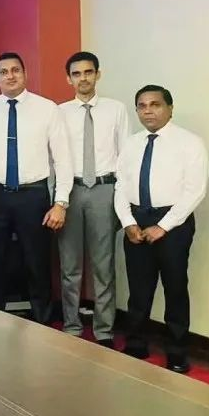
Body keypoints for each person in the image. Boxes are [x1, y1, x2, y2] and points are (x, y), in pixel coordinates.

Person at [0, 53, 72, 323]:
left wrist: (60, 203)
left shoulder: (47, 109)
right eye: (3, 72)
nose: (10, 76)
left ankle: (42, 324)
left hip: (34, 196)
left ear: (25, 74)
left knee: (37, 263)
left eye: (15, 70)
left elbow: (63, 159)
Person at [114, 86, 208, 373]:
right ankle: (136, 344)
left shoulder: (190, 143)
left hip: (174, 223)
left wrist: (163, 226)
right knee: (138, 290)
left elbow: (195, 190)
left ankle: (177, 352)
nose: (148, 111)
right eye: (142, 106)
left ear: (170, 108)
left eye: (155, 104)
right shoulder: (131, 144)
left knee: (175, 288)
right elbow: (121, 186)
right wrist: (128, 222)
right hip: (136, 220)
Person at [57, 52, 131, 346]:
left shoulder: (116, 109)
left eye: (88, 72)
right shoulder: (59, 112)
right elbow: (54, 157)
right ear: (69, 79)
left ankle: (104, 332)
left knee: (104, 265)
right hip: (70, 191)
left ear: (98, 74)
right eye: (76, 74)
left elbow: (125, 156)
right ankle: (72, 327)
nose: (83, 78)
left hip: (104, 189)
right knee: (69, 266)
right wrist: (58, 198)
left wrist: (122, 197)